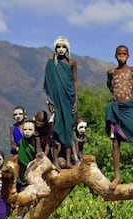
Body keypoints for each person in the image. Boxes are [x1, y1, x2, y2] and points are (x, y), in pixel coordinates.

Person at [105, 44, 133, 190]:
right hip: (115, 109)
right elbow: (109, 85)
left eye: (124, 54)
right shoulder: (112, 72)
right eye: (119, 54)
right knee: (115, 142)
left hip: (128, 108)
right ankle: (117, 176)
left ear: (128, 56)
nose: (121, 56)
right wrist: (115, 95)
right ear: (115, 56)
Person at [43, 35, 78, 170]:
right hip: (56, 101)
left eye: (63, 47)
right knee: (55, 131)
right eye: (58, 47)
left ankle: (69, 161)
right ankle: (56, 161)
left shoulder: (72, 62)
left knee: (68, 129)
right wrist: (49, 100)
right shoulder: (51, 63)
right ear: (55, 49)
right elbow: (47, 83)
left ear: (67, 49)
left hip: (68, 99)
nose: (61, 49)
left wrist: (76, 101)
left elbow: (75, 81)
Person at [17, 119, 41, 188]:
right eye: (25, 129)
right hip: (22, 167)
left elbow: (38, 150)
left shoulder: (36, 140)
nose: (27, 132)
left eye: (30, 130)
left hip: (32, 166)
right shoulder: (22, 141)